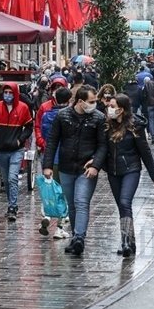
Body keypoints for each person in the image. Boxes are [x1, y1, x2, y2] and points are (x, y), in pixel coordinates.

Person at [42, 86, 107, 257]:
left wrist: (96, 165)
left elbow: (103, 145)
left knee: (81, 201)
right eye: (91, 101)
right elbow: (52, 141)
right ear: (80, 101)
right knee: (71, 204)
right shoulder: (62, 115)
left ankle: (79, 237)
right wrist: (47, 165)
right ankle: (75, 237)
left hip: (86, 168)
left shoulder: (99, 118)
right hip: (66, 167)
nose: (94, 104)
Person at [103, 94, 154, 257]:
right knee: (122, 207)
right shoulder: (106, 126)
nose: (109, 109)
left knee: (124, 202)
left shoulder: (135, 127)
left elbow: (145, 151)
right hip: (113, 171)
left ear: (121, 109)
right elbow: (101, 149)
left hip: (131, 169)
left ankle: (126, 242)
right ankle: (130, 242)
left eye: (112, 106)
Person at [0, 83, 34, 221]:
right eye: (5, 92)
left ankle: (12, 207)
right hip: (2, 149)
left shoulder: (23, 108)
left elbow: (29, 127)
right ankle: (11, 203)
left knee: (12, 177)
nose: (7, 95)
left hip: (16, 149)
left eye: (10, 92)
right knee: (6, 179)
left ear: (15, 94)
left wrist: (20, 140)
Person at [38, 87, 72, 240]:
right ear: (69, 100)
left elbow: (46, 136)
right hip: (64, 159)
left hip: (49, 159)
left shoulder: (46, 115)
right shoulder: (69, 117)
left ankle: (46, 215)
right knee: (63, 194)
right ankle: (59, 228)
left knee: (49, 191)